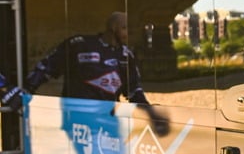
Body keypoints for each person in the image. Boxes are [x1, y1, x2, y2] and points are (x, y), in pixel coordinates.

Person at [7, 12, 167, 134]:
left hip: (108, 122)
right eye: (125, 28)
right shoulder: (80, 45)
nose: (128, 33)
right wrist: (26, 92)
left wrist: (149, 112)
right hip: (77, 122)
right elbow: (47, 67)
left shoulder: (126, 55)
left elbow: (133, 90)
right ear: (113, 28)